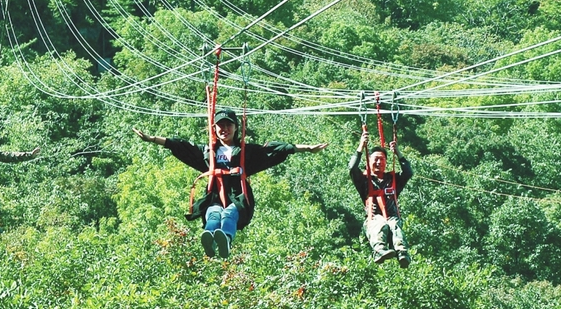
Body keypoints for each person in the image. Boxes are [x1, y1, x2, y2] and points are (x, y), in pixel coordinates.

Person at [133, 109, 327, 259]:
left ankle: (225, 238)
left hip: (237, 195)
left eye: (228, 125)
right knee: (213, 213)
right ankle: (209, 237)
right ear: (215, 129)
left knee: (230, 213)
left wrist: (307, 149)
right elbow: (180, 146)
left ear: (235, 128)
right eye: (220, 126)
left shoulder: (245, 152)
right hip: (215, 194)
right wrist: (152, 139)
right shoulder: (207, 151)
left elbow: (275, 150)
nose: (224, 129)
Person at [349, 131, 413, 268]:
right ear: (369, 162)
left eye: (382, 159)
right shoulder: (364, 180)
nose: (378, 162)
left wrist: (398, 153)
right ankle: (379, 250)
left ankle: (402, 252)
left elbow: (408, 172)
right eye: (375, 159)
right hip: (374, 219)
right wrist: (361, 146)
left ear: (386, 162)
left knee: (394, 226)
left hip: (392, 217)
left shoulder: (393, 180)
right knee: (380, 224)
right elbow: (352, 167)